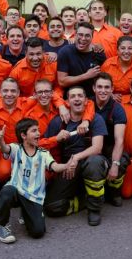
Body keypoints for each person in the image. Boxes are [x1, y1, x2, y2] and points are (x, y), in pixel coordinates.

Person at [0, 119, 69, 243]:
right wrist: (0, 140)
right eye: (34, 131)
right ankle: (2, 226)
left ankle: (25, 212)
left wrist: (66, 166)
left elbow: (54, 166)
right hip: (16, 190)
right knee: (6, 192)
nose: (38, 133)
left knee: (38, 232)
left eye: (38, 130)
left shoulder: (44, 153)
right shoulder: (16, 148)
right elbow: (4, 149)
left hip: (33, 196)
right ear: (23, 136)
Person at [44, 86, 108, 226]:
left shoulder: (96, 119)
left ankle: (94, 208)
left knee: (94, 163)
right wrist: (58, 166)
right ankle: (83, 200)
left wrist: (76, 158)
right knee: (51, 207)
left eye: (80, 96)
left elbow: (97, 148)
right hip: (68, 168)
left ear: (86, 101)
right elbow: (43, 148)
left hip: (89, 163)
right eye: (73, 96)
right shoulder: (58, 122)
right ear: (67, 102)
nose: (77, 99)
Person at [91, 73, 128, 207]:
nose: (103, 90)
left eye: (107, 87)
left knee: (122, 161)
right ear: (94, 88)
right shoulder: (87, 104)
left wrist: (115, 164)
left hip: (110, 147)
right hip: (91, 146)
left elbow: (119, 140)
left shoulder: (117, 109)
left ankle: (114, 191)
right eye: (99, 87)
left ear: (112, 89)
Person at [56, 22, 107, 96]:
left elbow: (104, 79)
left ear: (92, 37)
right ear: (75, 35)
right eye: (80, 34)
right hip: (71, 99)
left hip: (92, 99)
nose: (83, 38)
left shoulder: (99, 54)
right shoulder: (65, 52)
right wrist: (86, 75)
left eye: (87, 36)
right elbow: (62, 82)